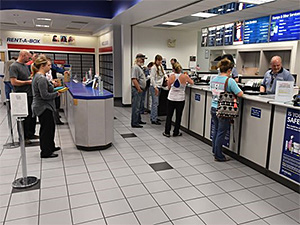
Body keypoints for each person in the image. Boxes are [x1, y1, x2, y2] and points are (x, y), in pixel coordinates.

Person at [210, 58, 243, 162]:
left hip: (213, 107)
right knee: (221, 132)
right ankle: (219, 155)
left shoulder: (214, 79)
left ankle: (215, 150)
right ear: (229, 70)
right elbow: (240, 93)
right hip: (224, 110)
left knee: (216, 130)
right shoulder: (230, 81)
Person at [31, 55, 61, 158]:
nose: (50, 67)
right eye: (48, 65)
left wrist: (54, 87)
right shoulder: (41, 78)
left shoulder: (39, 76)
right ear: (42, 66)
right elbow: (45, 95)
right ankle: (45, 152)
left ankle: (50, 146)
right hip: (43, 107)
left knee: (50, 127)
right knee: (46, 130)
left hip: (45, 106)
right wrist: (56, 94)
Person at [9, 50, 37, 144]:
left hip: (30, 94)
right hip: (21, 95)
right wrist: (27, 82)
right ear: (23, 55)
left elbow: (28, 77)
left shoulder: (26, 66)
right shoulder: (14, 66)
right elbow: (13, 82)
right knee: (24, 117)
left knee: (32, 116)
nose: (29, 59)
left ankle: (30, 133)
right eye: (28, 57)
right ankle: (23, 137)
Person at [163, 62, 194, 137]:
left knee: (169, 116)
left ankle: (167, 132)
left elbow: (169, 87)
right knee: (178, 116)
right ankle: (176, 132)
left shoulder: (171, 76)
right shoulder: (185, 76)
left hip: (171, 98)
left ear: (173, 69)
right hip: (180, 99)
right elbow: (192, 82)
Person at [150, 54, 168, 125]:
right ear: (156, 60)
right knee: (155, 103)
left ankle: (153, 116)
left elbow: (164, 74)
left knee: (155, 103)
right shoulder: (153, 68)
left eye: (161, 61)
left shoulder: (161, 67)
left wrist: (166, 77)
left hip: (159, 86)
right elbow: (152, 78)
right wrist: (155, 87)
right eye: (159, 61)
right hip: (155, 87)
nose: (160, 62)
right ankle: (154, 119)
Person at [131, 53, 147, 128]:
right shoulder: (135, 67)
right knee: (136, 106)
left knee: (139, 106)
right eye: (142, 59)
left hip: (140, 89)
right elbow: (134, 79)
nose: (143, 60)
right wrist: (139, 89)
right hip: (137, 89)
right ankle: (134, 122)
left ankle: (138, 120)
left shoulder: (140, 67)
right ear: (138, 59)